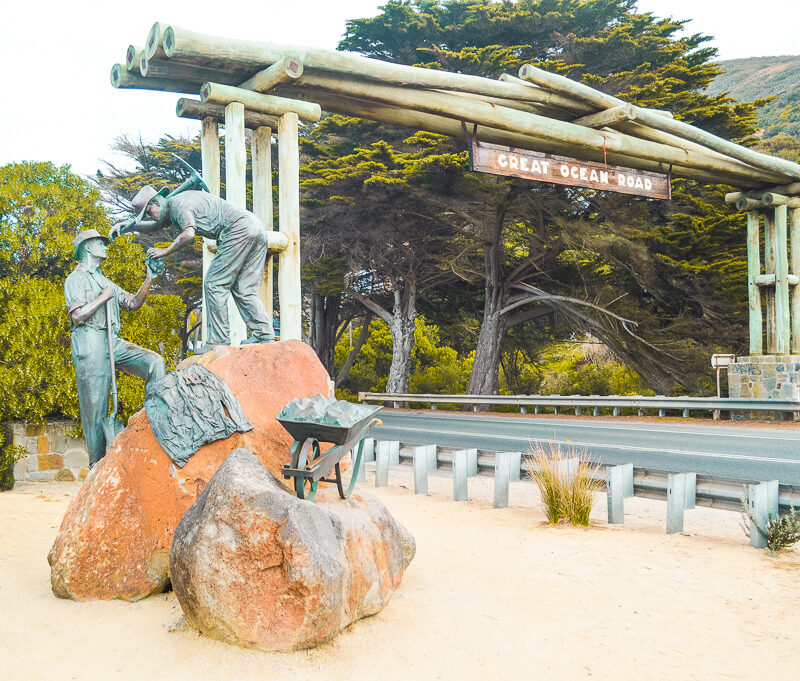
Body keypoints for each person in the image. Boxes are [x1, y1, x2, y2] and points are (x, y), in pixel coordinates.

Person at [112, 186, 275, 353]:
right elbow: (154, 226)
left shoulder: (178, 205)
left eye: (148, 212)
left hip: (238, 230)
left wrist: (165, 251)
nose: (149, 216)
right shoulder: (172, 207)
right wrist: (127, 226)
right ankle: (264, 334)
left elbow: (189, 234)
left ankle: (218, 341)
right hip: (255, 228)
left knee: (214, 284)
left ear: (157, 201)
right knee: (244, 288)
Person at [64, 229, 166, 465]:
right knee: (95, 413)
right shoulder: (75, 279)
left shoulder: (105, 281)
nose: (105, 247)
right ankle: (96, 467)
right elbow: (77, 317)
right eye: (101, 243)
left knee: (155, 363)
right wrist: (103, 297)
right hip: (90, 344)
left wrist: (149, 278)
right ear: (87, 248)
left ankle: (156, 425)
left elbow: (132, 303)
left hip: (113, 342)